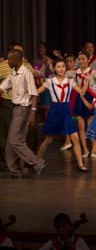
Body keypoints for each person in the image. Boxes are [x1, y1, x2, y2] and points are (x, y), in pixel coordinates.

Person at [0, 49, 46, 179]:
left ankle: (38, 162)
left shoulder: (26, 73)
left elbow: (34, 94)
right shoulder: (13, 73)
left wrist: (32, 113)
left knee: (15, 140)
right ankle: (15, 171)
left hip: (24, 109)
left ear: (18, 59)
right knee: (10, 144)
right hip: (15, 109)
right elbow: (2, 86)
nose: (8, 61)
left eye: (10, 59)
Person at [35, 58, 87, 171]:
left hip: (66, 110)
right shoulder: (50, 81)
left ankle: (80, 164)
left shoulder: (70, 81)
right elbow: (37, 91)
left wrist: (86, 81)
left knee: (75, 137)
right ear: (54, 68)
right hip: (55, 111)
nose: (61, 69)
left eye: (63, 66)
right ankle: (36, 161)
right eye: (58, 66)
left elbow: (81, 92)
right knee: (48, 140)